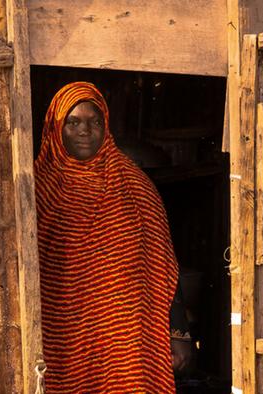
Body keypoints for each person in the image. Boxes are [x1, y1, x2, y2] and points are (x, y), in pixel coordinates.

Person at [34, 82, 192, 393]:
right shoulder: (38, 189)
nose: (85, 130)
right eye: (73, 121)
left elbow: (163, 267)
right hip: (61, 335)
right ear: (55, 127)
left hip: (126, 334)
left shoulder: (134, 186)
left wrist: (179, 333)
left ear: (106, 126)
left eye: (95, 121)